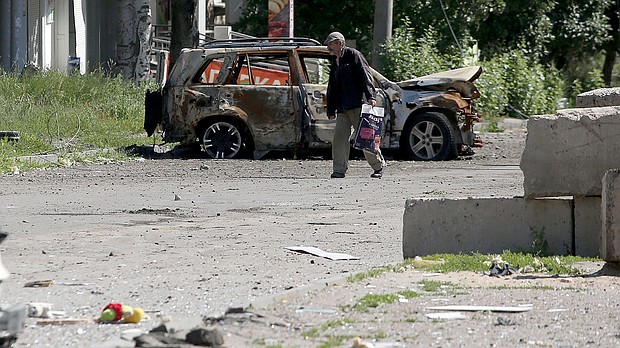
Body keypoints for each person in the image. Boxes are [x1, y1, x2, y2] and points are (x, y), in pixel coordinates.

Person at [324, 31, 385, 179]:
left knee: (366, 138)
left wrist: (371, 96)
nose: (329, 47)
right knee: (339, 139)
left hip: (358, 104)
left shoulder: (354, 55)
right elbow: (332, 87)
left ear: (340, 43)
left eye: (331, 44)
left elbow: (365, 75)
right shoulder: (335, 62)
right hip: (343, 108)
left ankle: (378, 166)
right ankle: (339, 170)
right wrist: (331, 108)